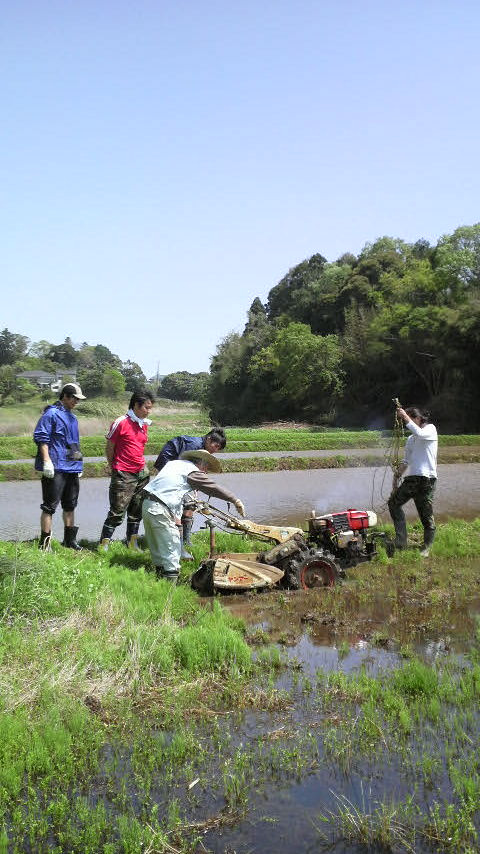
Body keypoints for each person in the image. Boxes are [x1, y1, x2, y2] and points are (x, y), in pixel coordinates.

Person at [142, 448, 245, 583]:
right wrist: (234, 499)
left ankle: (159, 586)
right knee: (172, 553)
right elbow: (212, 487)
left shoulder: (174, 465)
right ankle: (170, 593)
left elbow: (172, 488)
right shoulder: (192, 471)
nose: (206, 472)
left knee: (158, 553)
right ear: (201, 463)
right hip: (161, 509)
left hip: (147, 505)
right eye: (206, 468)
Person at [152, 428, 227, 560]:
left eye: (218, 448)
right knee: (185, 506)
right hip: (168, 470)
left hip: (174, 471)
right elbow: (185, 469)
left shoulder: (201, 449)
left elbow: (195, 474)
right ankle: (181, 543)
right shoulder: (194, 446)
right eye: (215, 446)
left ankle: (183, 540)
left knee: (189, 505)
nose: (215, 450)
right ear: (209, 439)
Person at [33, 382, 86, 551]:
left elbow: (74, 444)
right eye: (74, 399)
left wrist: (78, 465)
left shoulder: (73, 417)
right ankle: (45, 544)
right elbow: (42, 438)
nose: (76, 402)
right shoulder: (51, 414)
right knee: (49, 506)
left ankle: (69, 541)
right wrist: (47, 461)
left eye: (78, 399)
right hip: (55, 467)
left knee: (70, 505)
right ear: (65, 396)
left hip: (71, 467)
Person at [99, 390, 155, 551]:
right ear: (136, 405)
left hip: (141, 473)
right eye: (146, 407)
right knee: (117, 511)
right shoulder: (121, 422)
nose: (148, 411)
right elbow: (110, 447)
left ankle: (132, 543)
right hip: (123, 472)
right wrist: (114, 467)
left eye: (150, 408)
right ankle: (104, 544)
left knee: (136, 510)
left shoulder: (143, 424)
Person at [388, 405, 438, 557]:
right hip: (412, 479)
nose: (407, 423)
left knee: (426, 514)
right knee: (393, 503)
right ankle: (401, 540)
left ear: (418, 418)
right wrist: (396, 476)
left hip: (426, 479)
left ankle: (427, 547)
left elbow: (420, 433)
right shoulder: (410, 439)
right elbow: (406, 460)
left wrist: (404, 416)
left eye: (409, 419)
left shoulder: (430, 429)